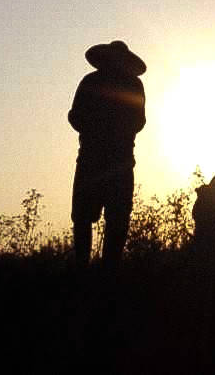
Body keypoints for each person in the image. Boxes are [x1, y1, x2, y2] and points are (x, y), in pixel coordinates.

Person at [69, 41, 146, 267]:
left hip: (101, 162)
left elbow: (75, 116)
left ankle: (94, 270)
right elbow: (139, 121)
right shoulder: (128, 85)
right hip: (109, 162)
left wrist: (95, 128)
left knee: (104, 219)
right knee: (101, 219)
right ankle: (100, 271)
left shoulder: (93, 82)